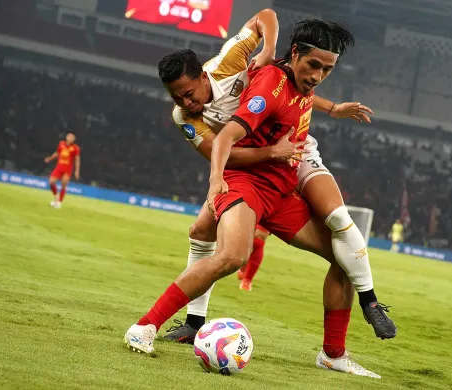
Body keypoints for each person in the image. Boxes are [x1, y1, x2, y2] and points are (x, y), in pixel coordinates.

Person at [125, 18, 392, 378]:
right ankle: (146, 326)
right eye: (314, 66)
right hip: (242, 179)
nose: (318, 74)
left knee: (344, 256)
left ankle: (333, 353)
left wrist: (269, 51)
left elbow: (266, 17)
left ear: (204, 77)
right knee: (232, 254)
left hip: (280, 184)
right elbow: (222, 144)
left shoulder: (249, 66)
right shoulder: (243, 95)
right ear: (296, 56)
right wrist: (219, 179)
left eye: (327, 68)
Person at [44, 132, 81, 209]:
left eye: (72, 137)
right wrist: (50, 158)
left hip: (67, 169)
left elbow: (77, 159)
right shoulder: (61, 144)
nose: (70, 138)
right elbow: (57, 153)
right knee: (51, 182)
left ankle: (59, 202)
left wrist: (77, 171)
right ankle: (56, 196)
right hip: (59, 167)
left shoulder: (75, 148)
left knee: (63, 184)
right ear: (67, 137)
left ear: (74, 139)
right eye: (69, 136)